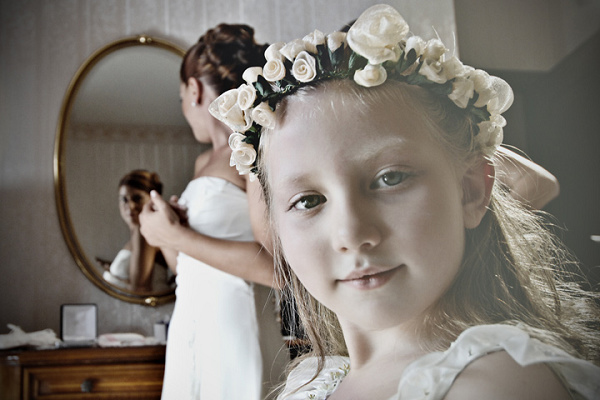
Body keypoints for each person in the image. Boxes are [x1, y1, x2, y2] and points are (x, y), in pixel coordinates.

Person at [209, 5, 600, 399]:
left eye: (390, 178)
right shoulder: (312, 381)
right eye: (309, 200)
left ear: (470, 191)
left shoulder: (495, 385)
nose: (352, 234)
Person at [139, 24, 288, 400]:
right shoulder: (203, 162)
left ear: (193, 89)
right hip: (191, 325)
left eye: (181, 98)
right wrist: (167, 233)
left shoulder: (255, 146)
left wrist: (176, 235)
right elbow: (188, 268)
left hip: (233, 331)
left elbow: (277, 269)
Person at [101, 169, 172, 293]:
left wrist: (113, 277)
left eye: (137, 198)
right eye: (124, 199)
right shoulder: (139, 233)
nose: (130, 206)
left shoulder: (144, 234)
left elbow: (139, 290)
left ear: (153, 200)